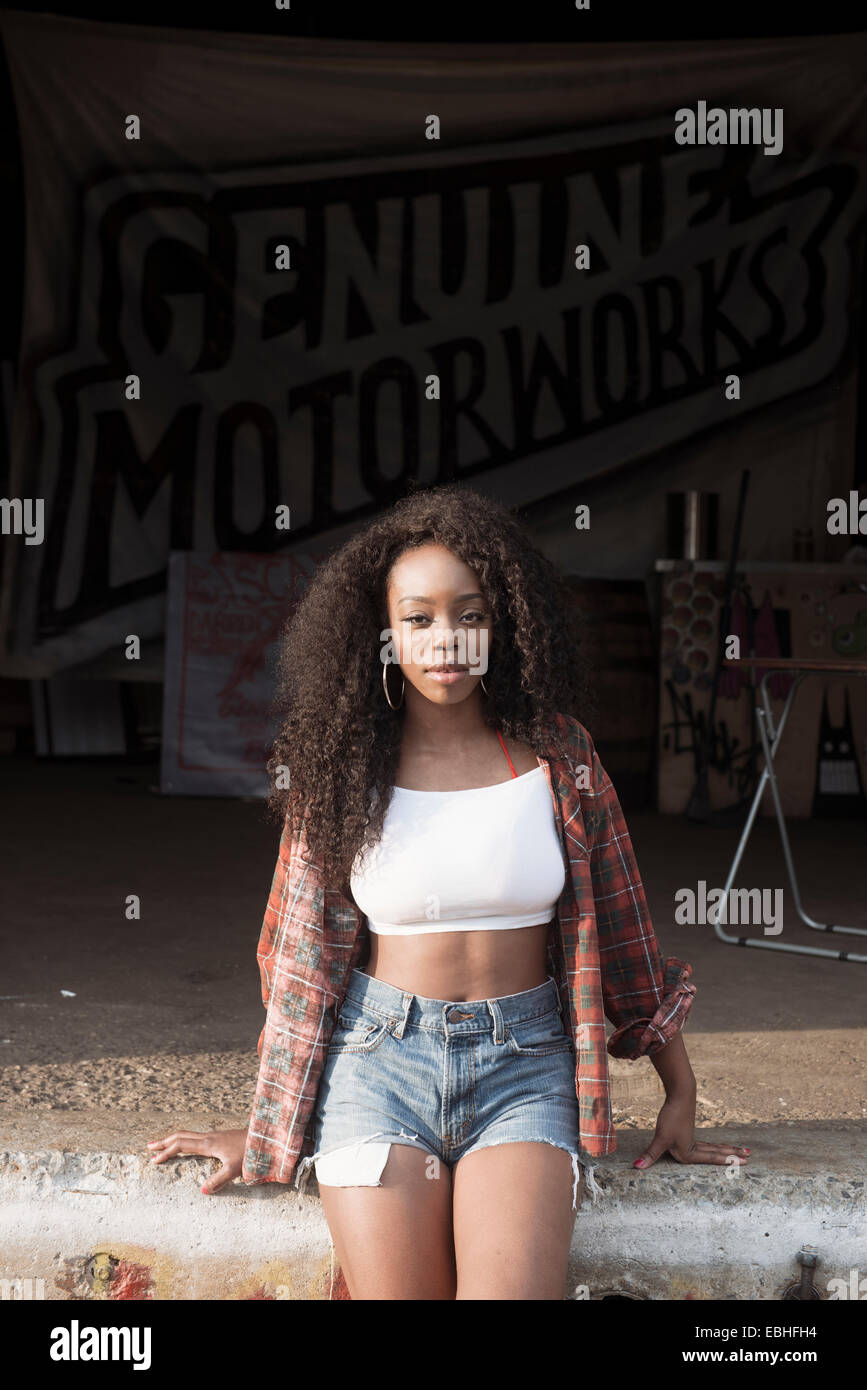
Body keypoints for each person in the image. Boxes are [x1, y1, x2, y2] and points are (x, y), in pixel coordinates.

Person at [148, 483, 748, 1300]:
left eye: (471, 615)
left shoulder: (559, 760)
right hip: (375, 1065)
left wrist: (678, 1090)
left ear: (504, 625)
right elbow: (295, 969)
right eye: (419, 618)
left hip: (527, 1065)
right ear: (383, 634)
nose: (448, 641)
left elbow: (623, 933)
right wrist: (265, 1132)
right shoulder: (341, 773)